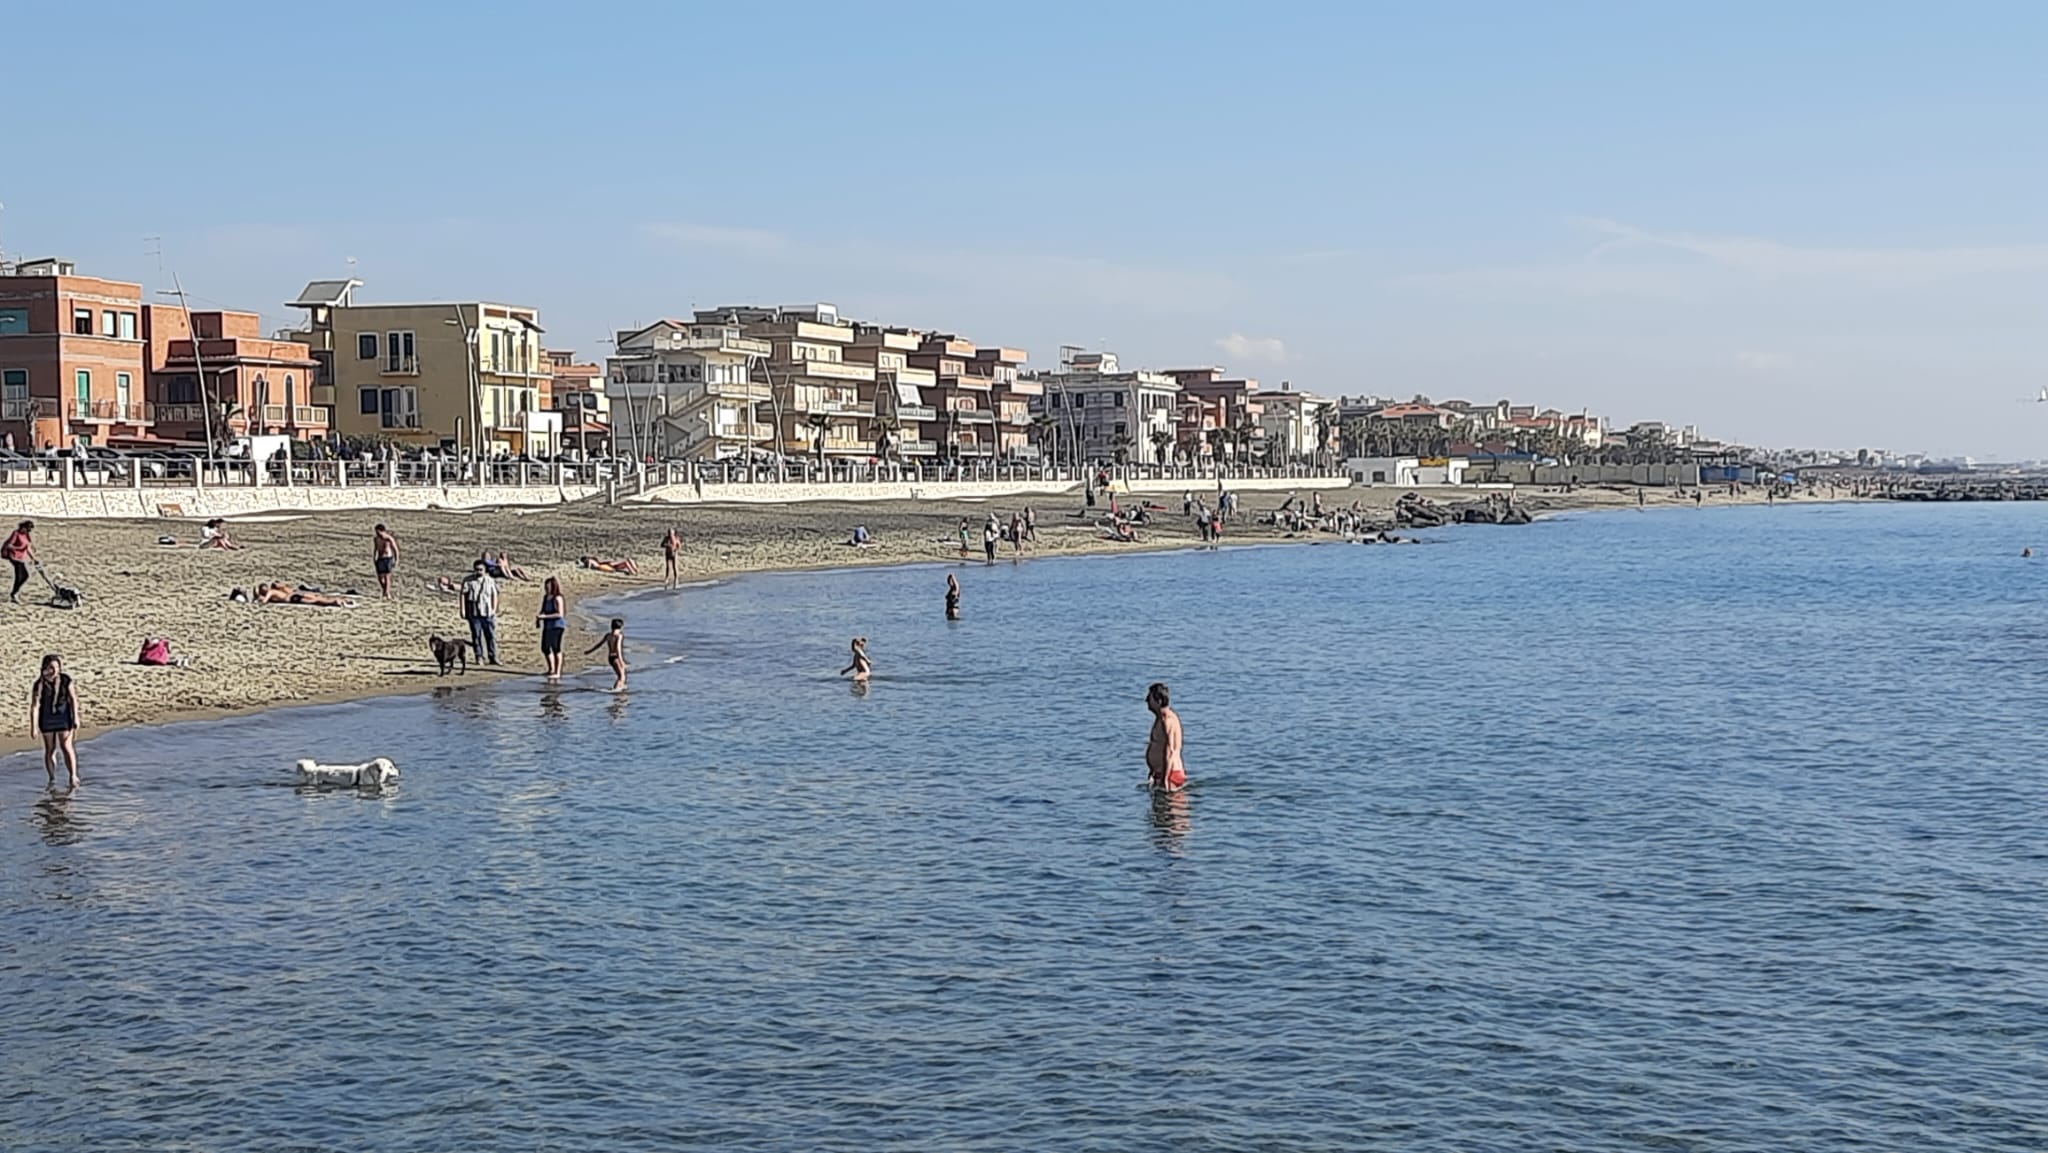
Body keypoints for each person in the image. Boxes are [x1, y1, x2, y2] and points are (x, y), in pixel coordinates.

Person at [30, 654, 81, 789]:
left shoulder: (66, 680)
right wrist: (34, 726)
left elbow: (73, 699)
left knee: (66, 746)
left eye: (57, 667)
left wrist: (76, 717)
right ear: (45, 668)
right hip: (47, 718)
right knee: (50, 749)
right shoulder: (40, 684)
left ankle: (73, 775)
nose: (54, 670)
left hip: (64, 716)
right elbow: (35, 706)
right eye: (51, 667)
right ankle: (52, 777)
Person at [1145, 681, 1186, 792]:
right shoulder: (1160, 718)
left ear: (1158, 701)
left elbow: (1170, 751)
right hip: (1161, 774)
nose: (1146, 701)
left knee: (1169, 808)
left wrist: (1165, 779)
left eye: (1150, 698)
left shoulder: (1167, 720)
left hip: (1169, 775)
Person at [461, 559, 501, 666]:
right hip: (474, 612)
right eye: (477, 570)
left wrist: (494, 608)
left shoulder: (490, 581)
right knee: (476, 635)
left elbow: (495, 594)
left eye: (481, 570)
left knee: (491, 635)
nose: (479, 572)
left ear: (485, 570)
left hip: (487, 612)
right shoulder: (468, 580)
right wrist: (463, 610)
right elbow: (463, 595)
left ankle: (493, 657)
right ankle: (479, 657)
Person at [537, 576, 569, 681]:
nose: (546, 588)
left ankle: (557, 671)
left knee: (556, 648)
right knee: (545, 647)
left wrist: (545, 617)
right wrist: (539, 618)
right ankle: (551, 669)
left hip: (557, 626)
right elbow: (543, 610)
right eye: (545, 586)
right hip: (547, 626)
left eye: (548, 586)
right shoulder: (546, 597)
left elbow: (560, 614)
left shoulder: (558, 598)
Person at [585, 616, 626, 691]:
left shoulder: (608, 635)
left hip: (610, 657)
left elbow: (599, 645)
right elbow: (618, 649)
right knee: (621, 677)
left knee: (620, 676)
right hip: (616, 657)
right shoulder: (619, 636)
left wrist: (589, 651)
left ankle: (620, 688)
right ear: (621, 627)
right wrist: (621, 660)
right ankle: (616, 690)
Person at [4, 519, 34, 603]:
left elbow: (28, 548)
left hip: (22, 558)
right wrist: (18, 548)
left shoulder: (27, 535)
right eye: (27, 529)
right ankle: (14, 594)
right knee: (20, 576)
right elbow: (9, 545)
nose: (28, 531)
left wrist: (34, 558)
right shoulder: (16, 533)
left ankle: (15, 593)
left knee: (25, 576)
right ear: (23, 527)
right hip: (14, 557)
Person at [372, 524, 399, 599]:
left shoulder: (388, 539)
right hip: (380, 558)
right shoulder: (376, 539)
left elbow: (395, 549)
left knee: (387, 576)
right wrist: (374, 558)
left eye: (378, 532)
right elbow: (375, 549)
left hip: (388, 558)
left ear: (382, 531)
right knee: (380, 578)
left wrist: (396, 560)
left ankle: (386, 594)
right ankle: (386, 591)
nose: (377, 534)